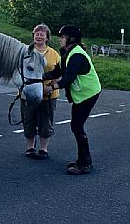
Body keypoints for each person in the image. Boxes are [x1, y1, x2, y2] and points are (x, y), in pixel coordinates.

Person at [44, 25, 101, 174]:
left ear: (71, 39)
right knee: (76, 125)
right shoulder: (66, 53)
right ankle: (82, 159)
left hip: (88, 93)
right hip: (81, 94)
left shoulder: (77, 55)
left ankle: (85, 163)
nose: (60, 39)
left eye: (62, 37)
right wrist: (41, 77)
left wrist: (53, 86)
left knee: (77, 126)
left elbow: (68, 78)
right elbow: (58, 71)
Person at [22, 24, 60, 160]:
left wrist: (52, 86)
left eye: (42, 34)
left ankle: (43, 149)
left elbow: (59, 72)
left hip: (48, 94)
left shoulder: (54, 54)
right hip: (28, 93)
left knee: (45, 121)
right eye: (36, 33)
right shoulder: (25, 51)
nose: (38, 36)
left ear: (47, 37)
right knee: (28, 120)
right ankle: (30, 147)